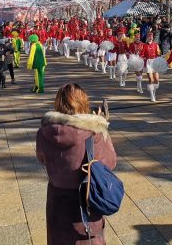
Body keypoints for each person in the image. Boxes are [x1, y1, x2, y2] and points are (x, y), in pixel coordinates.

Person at [36, 83, 117, 245]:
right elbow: (110, 162)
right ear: (83, 102)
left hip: (57, 201)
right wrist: (101, 126)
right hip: (86, 202)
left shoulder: (44, 132)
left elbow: (42, 159)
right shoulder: (94, 133)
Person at [141, 31, 161, 102]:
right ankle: (152, 95)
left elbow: (158, 54)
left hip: (154, 62)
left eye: (151, 36)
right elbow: (142, 54)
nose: (150, 38)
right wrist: (141, 58)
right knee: (151, 79)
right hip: (148, 62)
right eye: (149, 36)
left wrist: (159, 53)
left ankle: (154, 93)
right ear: (147, 37)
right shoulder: (144, 45)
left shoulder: (155, 45)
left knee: (156, 79)